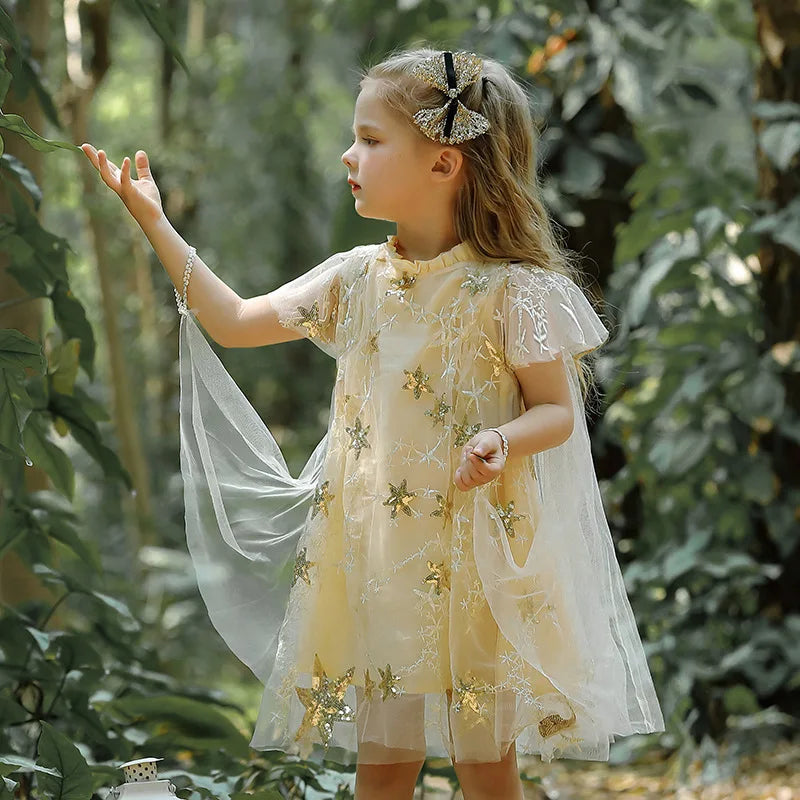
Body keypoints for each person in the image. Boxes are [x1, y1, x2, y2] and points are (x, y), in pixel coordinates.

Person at [81, 47, 664, 800]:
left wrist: (499, 439)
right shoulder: (355, 278)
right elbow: (232, 321)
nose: (348, 155)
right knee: (382, 769)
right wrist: (155, 222)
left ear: (445, 163)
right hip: (384, 568)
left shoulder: (514, 291)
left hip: (479, 566)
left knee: (488, 768)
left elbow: (556, 411)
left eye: (371, 138)